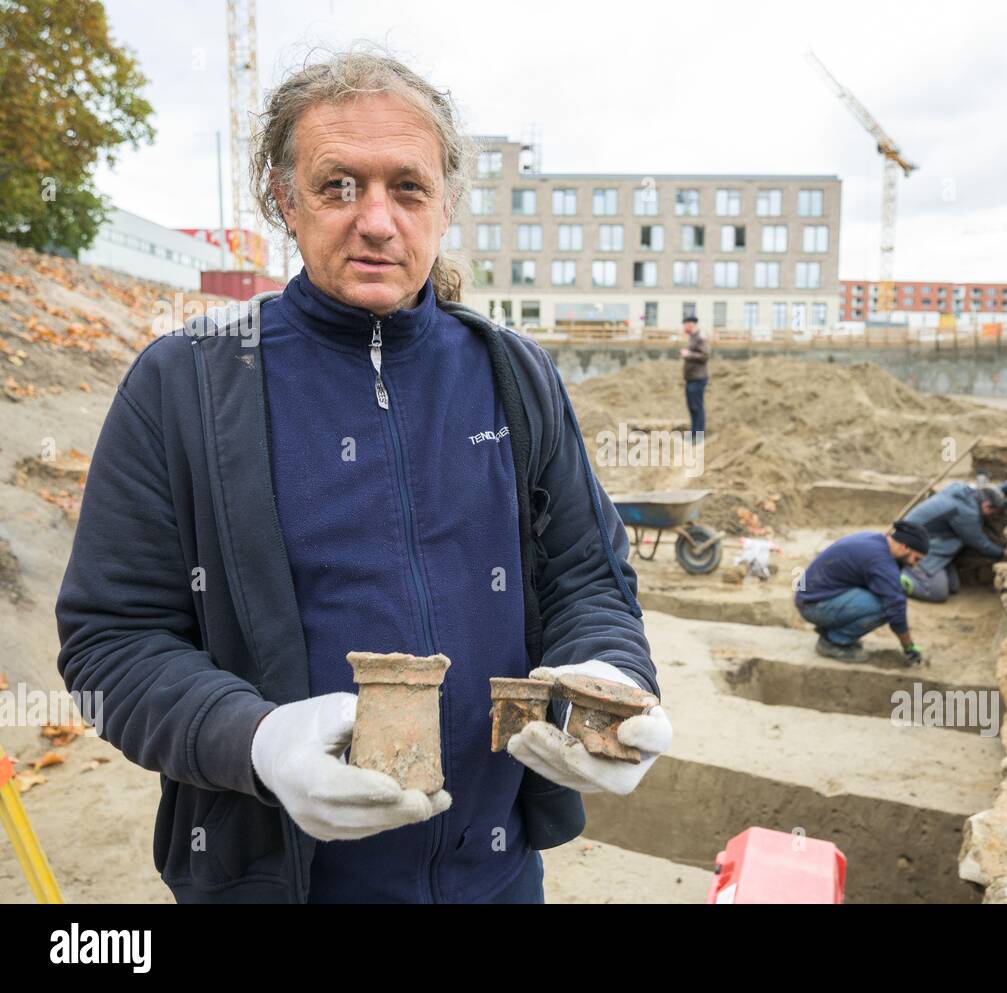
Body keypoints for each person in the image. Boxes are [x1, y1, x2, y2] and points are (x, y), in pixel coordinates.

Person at [54, 51, 671, 905]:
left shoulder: (515, 377)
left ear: (446, 204)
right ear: (285, 200)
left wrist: (609, 673)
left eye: (407, 188)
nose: (376, 220)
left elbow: (587, 576)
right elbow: (110, 643)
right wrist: (258, 739)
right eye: (339, 184)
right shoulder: (185, 384)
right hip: (272, 887)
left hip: (493, 880)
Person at [795, 521, 930, 664]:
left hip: (813, 597)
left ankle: (831, 630)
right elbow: (895, 608)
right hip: (814, 605)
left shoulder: (874, 540)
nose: (914, 564)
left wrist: (895, 578)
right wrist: (908, 646)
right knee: (887, 606)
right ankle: (832, 642)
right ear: (904, 547)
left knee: (890, 593)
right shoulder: (880, 560)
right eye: (916, 558)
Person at [901, 479, 1007, 603]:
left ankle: (915, 570)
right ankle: (896, 577)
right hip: (914, 544)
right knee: (937, 592)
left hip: (929, 538)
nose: (992, 516)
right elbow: (979, 543)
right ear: (986, 506)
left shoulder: (968, 494)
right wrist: (1003, 553)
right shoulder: (967, 512)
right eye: (993, 512)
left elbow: (994, 489)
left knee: (953, 586)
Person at [680, 315, 709, 438]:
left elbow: (705, 356)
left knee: (697, 407)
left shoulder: (700, 338)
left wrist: (688, 354)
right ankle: (693, 432)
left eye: (685, 324)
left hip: (698, 378)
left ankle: (698, 434)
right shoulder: (692, 338)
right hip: (691, 378)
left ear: (690, 324)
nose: (684, 327)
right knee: (692, 407)